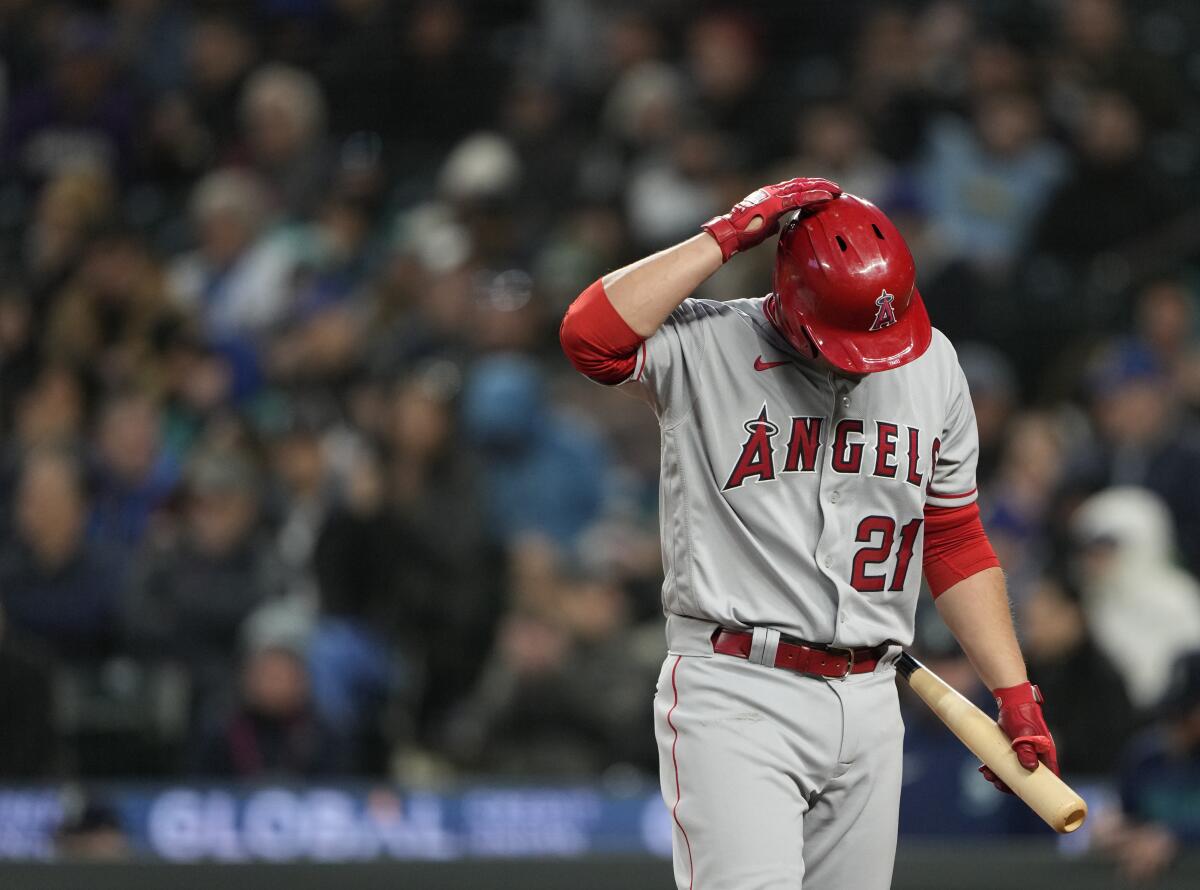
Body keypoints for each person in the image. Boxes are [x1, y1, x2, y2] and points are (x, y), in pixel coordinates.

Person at [560, 179, 1058, 889]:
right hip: (739, 689)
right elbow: (588, 338)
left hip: (873, 695)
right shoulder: (708, 341)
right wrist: (727, 235)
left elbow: (950, 538)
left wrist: (1014, 693)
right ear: (792, 300)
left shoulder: (933, 361)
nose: (869, 354)